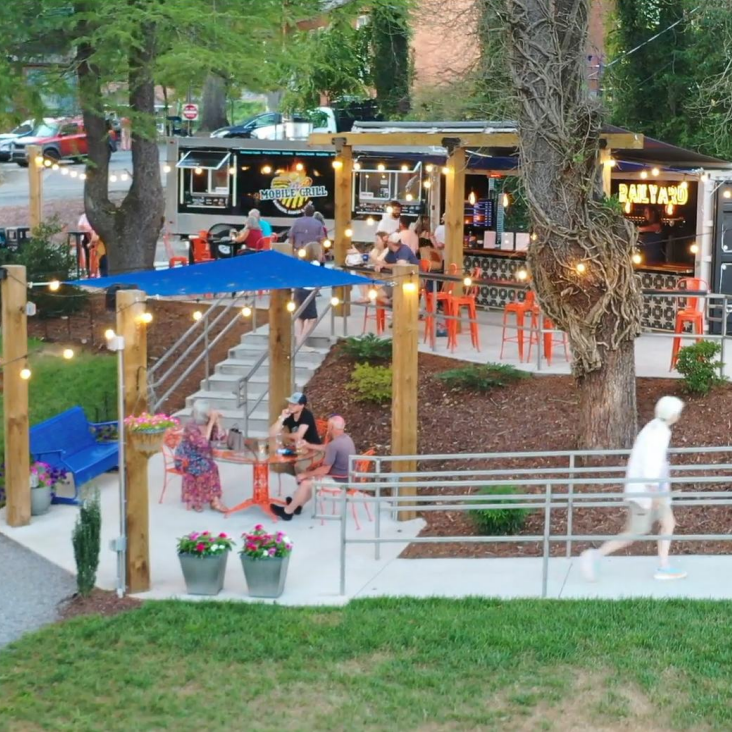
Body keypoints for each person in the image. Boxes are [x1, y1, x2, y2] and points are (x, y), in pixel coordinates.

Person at [580, 396, 687, 582]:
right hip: (649, 491)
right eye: (678, 412)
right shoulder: (659, 433)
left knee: (668, 523)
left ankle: (664, 566)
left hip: (654, 489)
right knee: (633, 533)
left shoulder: (653, 426)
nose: (679, 416)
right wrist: (655, 494)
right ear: (672, 415)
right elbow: (651, 464)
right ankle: (595, 556)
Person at [271, 415, 355, 521]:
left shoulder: (334, 445)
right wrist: (308, 445)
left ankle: (287, 512)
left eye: (328, 426)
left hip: (339, 482)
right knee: (311, 480)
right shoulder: (346, 439)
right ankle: (298, 505)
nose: (327, 428)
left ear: (331, 428)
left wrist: (304, 474)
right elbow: (326, 448)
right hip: (346, 477)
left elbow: (325, 469)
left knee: (306, 482)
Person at [174, 401, 227, 513]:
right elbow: (202, 443)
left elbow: (222, 438)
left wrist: (217, 422)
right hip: (188, 457)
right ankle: (206, 500)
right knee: (208, 468)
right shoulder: (191, 426)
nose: (210, 413)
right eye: (208, 411)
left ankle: (213, 499)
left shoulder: (208, 423)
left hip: (202, 456)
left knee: (212, 466)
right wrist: (212, 422)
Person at [269, 392, 322, 476]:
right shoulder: (289, 415)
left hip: (312, 450)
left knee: (298, 465)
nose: (290, 406)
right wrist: (282, 418)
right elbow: (271, 433)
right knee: (277, 453)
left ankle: (302, 484)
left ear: (302, 405)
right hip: (297, 449)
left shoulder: (307, 415)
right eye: (290, 403)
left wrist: (283, 435)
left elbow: (298, 435)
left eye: (294, 404)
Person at [293, 241, 322, 347]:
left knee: (300, 317)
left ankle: (298, 342)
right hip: (308, 291)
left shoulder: (301, 262)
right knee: (312, 318)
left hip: (298, 290)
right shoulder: (315, 264)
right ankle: (301, 342)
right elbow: (316, 278)